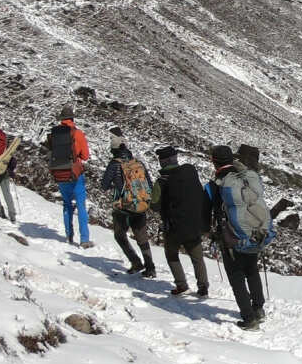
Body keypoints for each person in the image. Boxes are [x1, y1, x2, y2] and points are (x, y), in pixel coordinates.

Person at [207, 144, 269, 330]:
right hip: (253, 231)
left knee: (236, 276)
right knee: (251, 269)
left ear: (214, 162)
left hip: (230, 236)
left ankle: (249, 319)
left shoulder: (216, 185)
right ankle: (258, 308)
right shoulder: (246, 178)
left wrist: (211, 232)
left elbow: (210, 211)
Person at [153, 145, 210, 297]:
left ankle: (181, 285)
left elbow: (154, 205)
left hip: (173, 228)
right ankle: (203, 287)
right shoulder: (190, 174)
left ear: (163, 162)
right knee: (197, 257)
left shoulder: (162, 181)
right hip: (194, 224)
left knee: (171, 254)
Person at [102, 129, 158, 278]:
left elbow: (104, 185)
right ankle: (150, 267)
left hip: (123, 206)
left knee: (120, 235)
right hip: (140, 205)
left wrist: (116, 186)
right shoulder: (138, 163)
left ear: (113, 150)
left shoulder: (114, 165)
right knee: (142, 238)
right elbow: (149, 184)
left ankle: (135, 262)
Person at [46, 109, 92, 247]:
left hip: (59, 172)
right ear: (72, 119)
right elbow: (85, 156)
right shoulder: (77, 133)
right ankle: (84, 239)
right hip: (75, 173)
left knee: (67, 204)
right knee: (80, 206)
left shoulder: (54, 134)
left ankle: (68, 235)